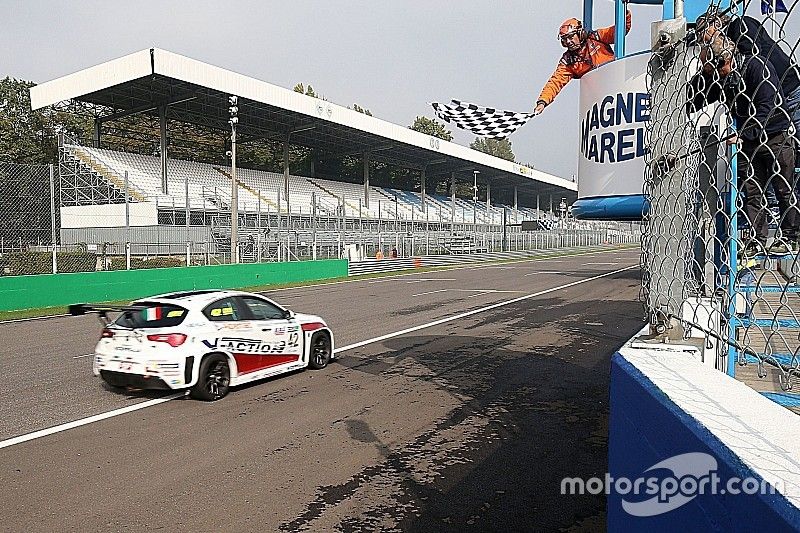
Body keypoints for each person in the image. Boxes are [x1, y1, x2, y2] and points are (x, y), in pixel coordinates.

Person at [688, 33, 798, 257]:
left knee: (783, 187)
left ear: (723, 61)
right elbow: (698, 97)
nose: (713, 77)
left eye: (712, 70)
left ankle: (791, 236)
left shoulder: (756, 66)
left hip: (775, 133)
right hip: (749, 140)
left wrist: (745, 135)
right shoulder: (724, 79)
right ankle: (758, 239)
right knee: (752, 191)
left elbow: (769, 106)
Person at [694, 6, 800, 144]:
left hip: (788, 90)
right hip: (767, 99)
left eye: (703, 32)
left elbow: (750, 56)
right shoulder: (720, 54)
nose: (702, 40)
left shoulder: (741, 26)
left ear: (716, 24)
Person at [533, 9, 631, 116]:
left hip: (617, 86)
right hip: (598, 100)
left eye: (571, 37)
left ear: (580, 34)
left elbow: (619, 31)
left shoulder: (596, 37)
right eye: (565, 39)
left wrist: (625, 14)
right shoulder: (568, 61)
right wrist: (542, 102)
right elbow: (555, 82)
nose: (568, 42)